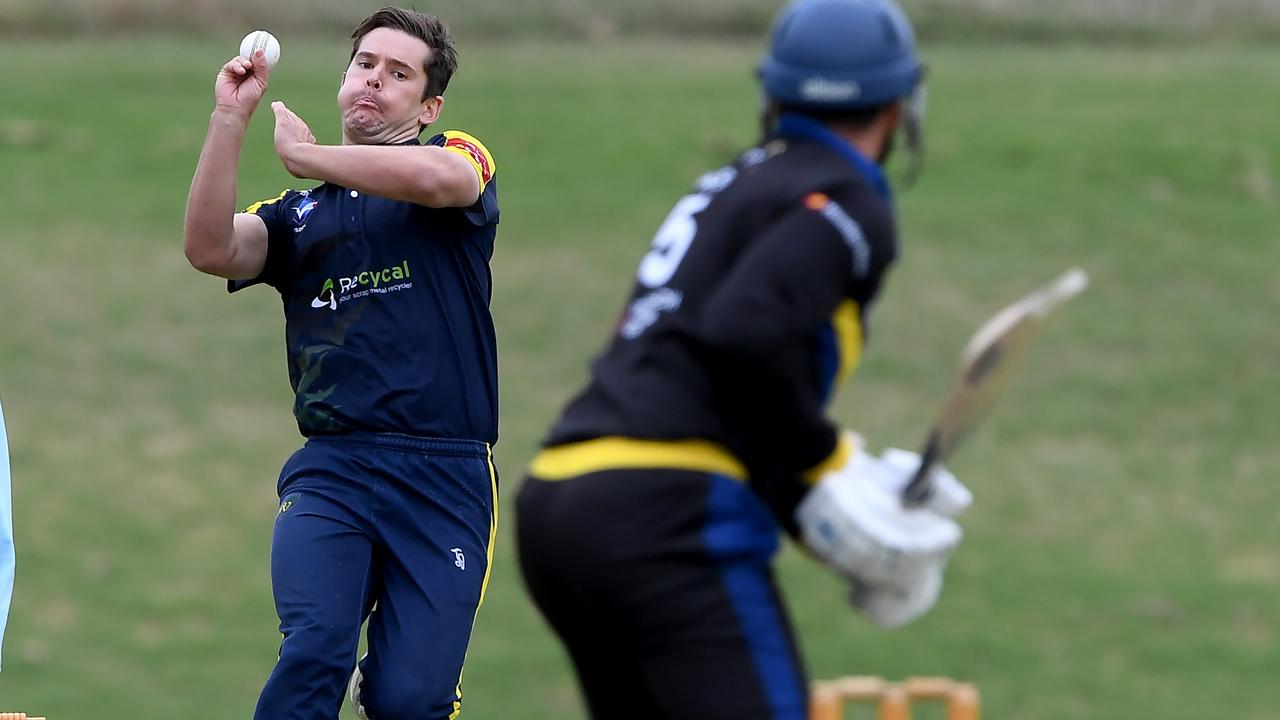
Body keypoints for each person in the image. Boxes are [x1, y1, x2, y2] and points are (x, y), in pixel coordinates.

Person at [514, 0, 972, 718]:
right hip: (665, 515)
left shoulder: (736, 186)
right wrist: (827, 460)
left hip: (561, 505)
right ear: (901, 106)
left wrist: (815, 507)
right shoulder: (848, 198)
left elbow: (705, 373)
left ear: (773, 95)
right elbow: (741, 339)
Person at [182, 7, 499, 720]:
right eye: (364, 65)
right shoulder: (298, 217)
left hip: (445, 474)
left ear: (429, 106)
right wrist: (229, 121)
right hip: (335, 470)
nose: (374, 82)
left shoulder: (455, 156)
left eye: (398, 74)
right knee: (313, 649)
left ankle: (386, 685)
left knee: (408, 701)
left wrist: (310, 155)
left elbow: (443, 180)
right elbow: (209, 248)